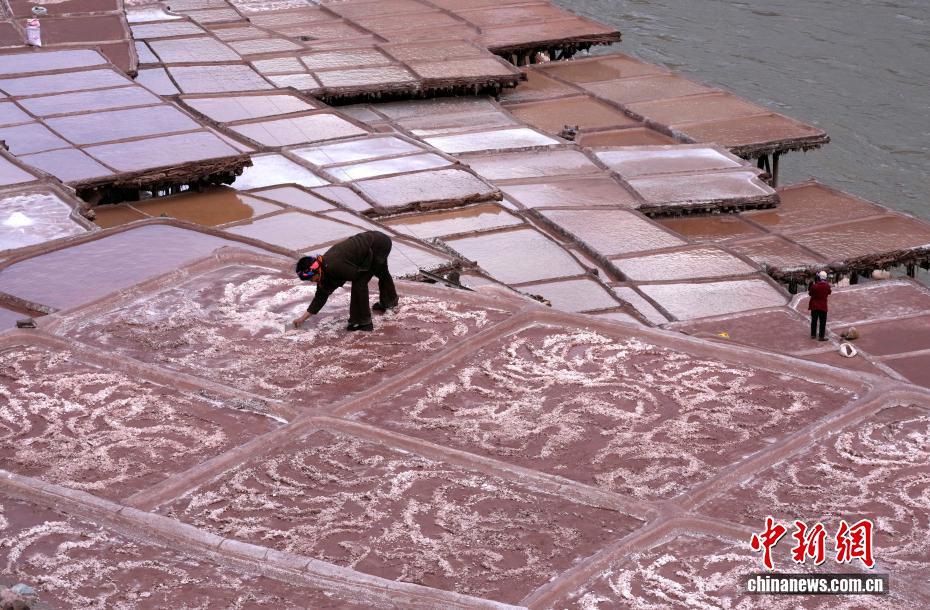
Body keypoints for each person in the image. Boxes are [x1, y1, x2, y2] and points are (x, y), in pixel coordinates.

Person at [292, 230, 398, 332]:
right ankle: (389, 301)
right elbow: (321, 295)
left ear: (316, 271)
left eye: (310, 278)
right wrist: (302, 319)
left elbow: (359, 277)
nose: (311, 281)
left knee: (360, 283)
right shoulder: (323, 266)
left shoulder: (333, 266)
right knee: (381, 272)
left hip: (379, 244)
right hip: (373, 242)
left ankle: (363, 322)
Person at [808, 270, 831, 341]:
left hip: (814, 306)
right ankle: (821, 336)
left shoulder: (815, 286)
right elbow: (829, 292)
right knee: (822, 322)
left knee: (814, 321)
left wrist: (811, 285)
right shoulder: (827, 286)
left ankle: (813, 335)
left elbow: (810, 293)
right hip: (823, 306)